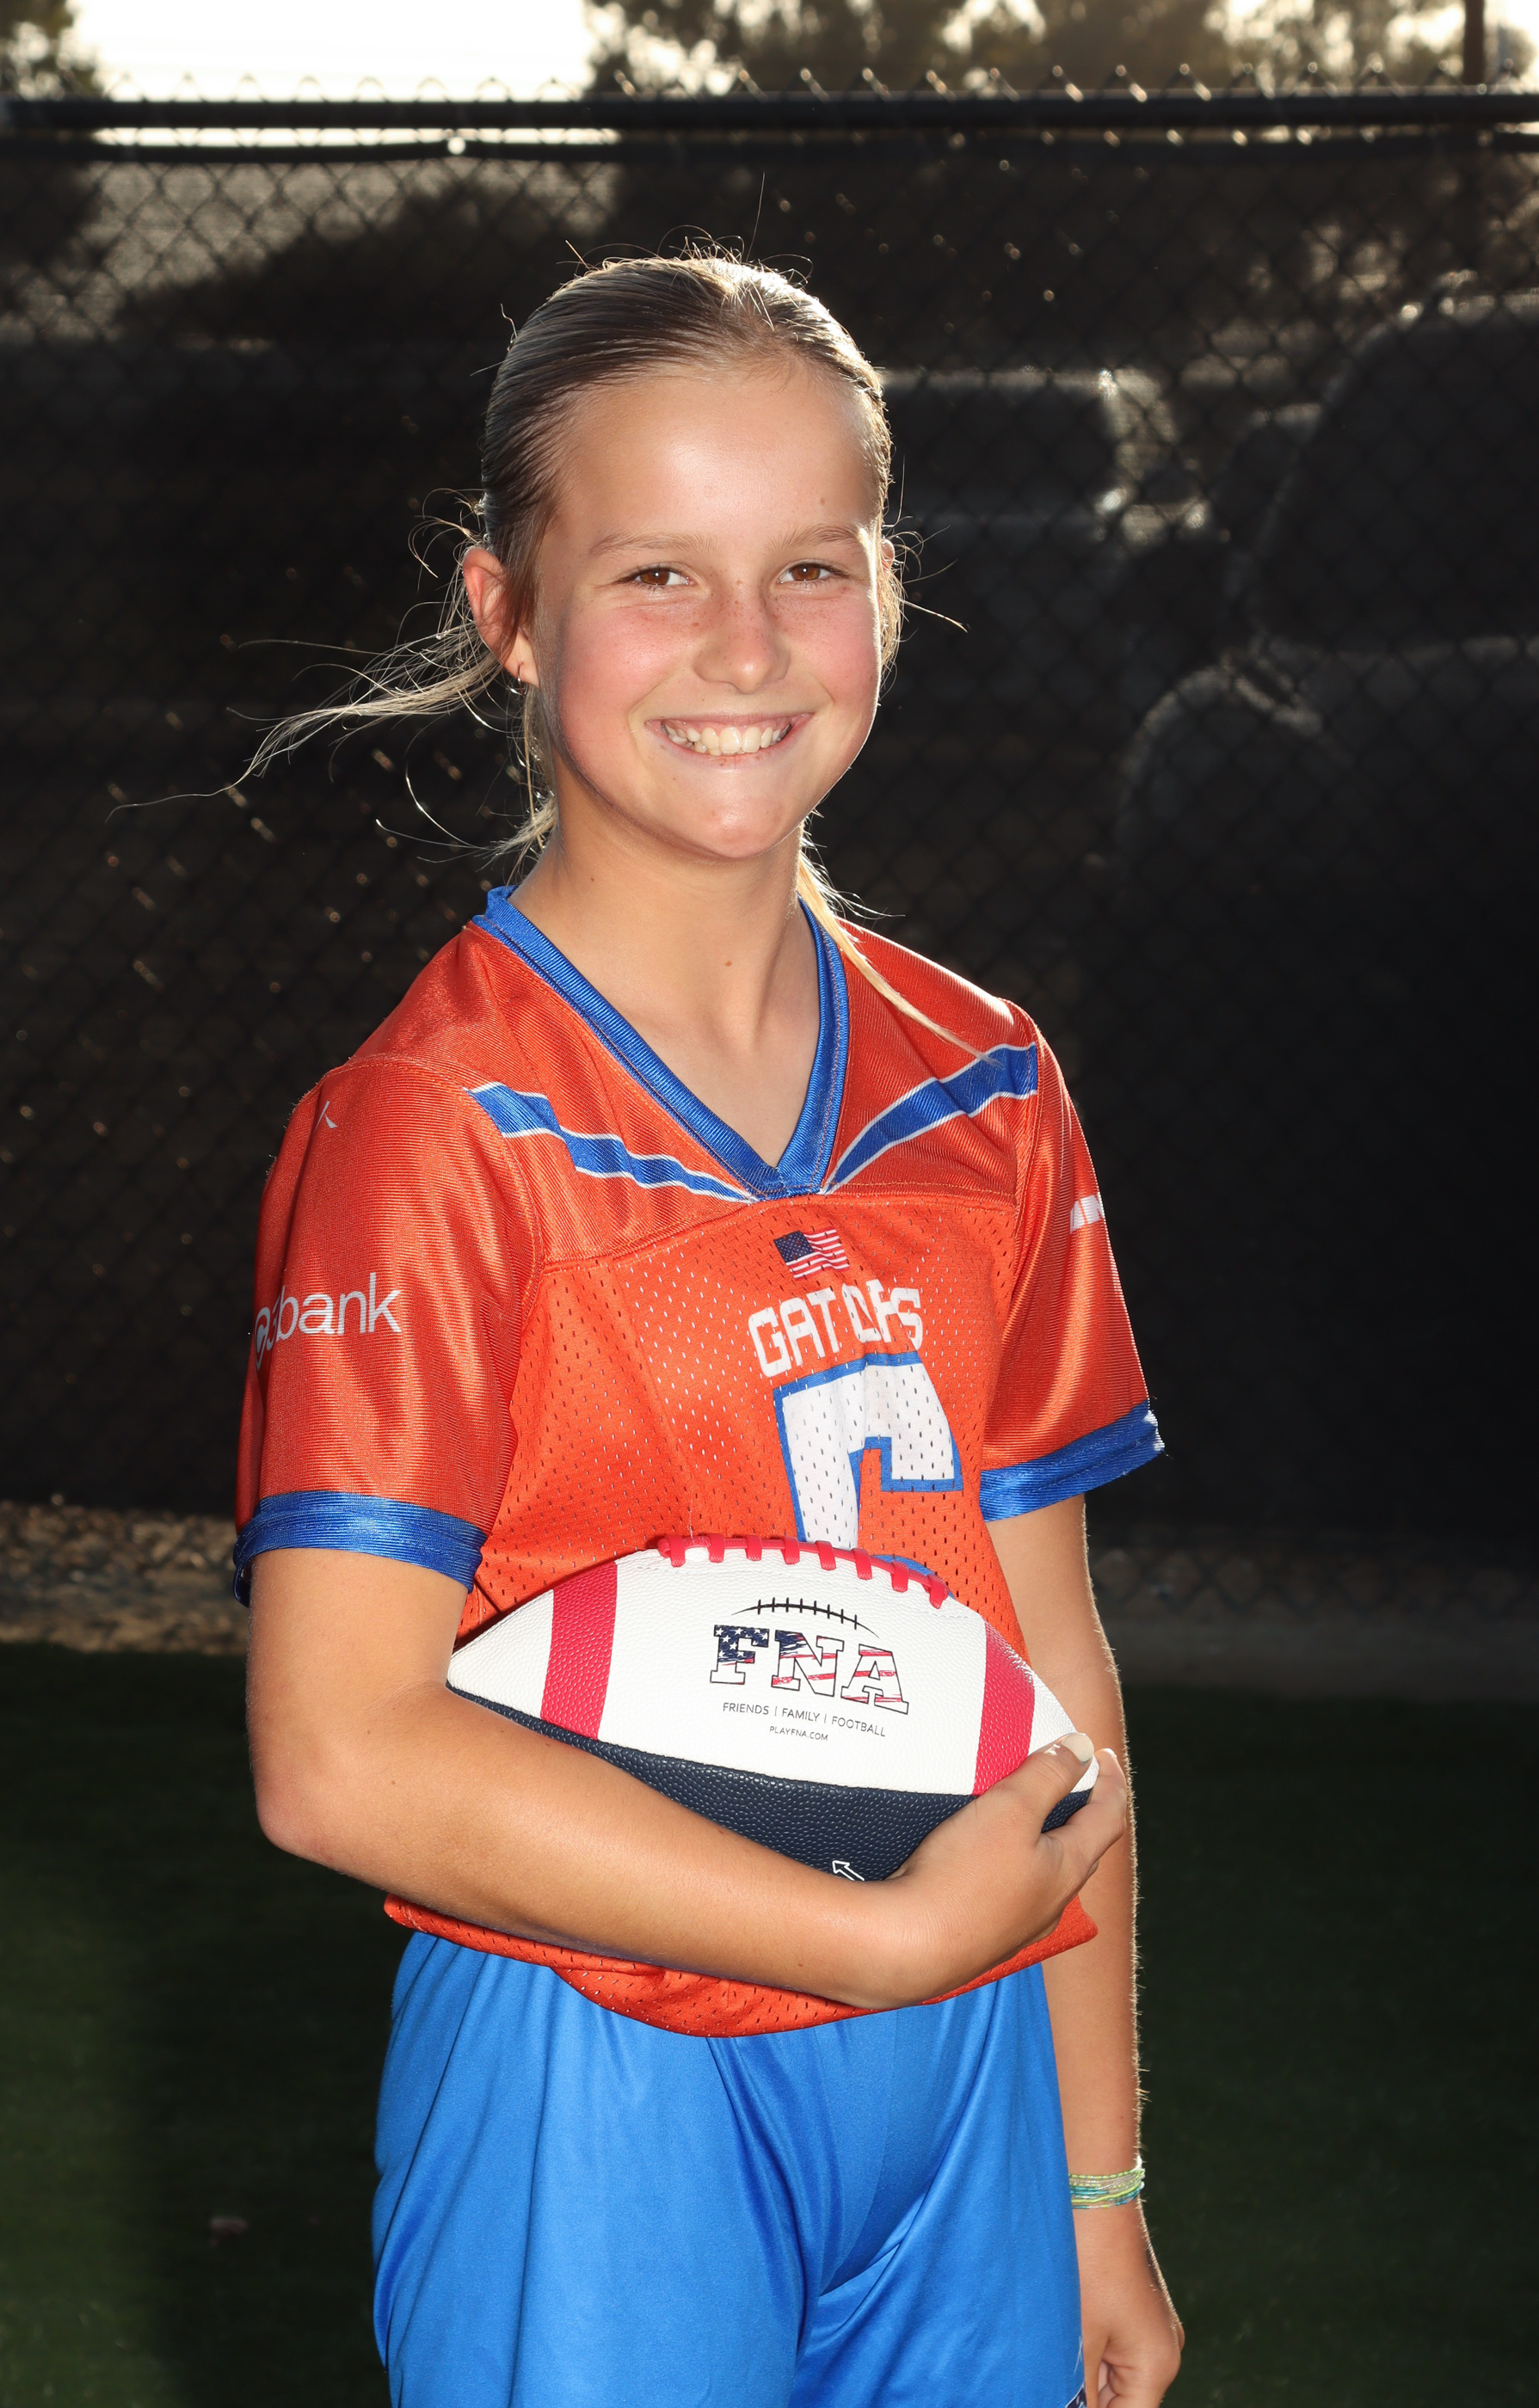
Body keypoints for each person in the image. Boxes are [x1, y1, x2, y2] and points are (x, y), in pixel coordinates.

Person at [237, 251, 1184, 2408]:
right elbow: (336, 1752)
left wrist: (1096, 2174)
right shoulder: (431, 1126)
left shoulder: (987, 1079)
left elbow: (1051, 1669)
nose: (745, 647)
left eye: (809, 566)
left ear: (886, 590)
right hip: (602, 2055)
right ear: (507, 611)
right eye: (656, 570)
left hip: (964, 2059)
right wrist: (873, 1930)